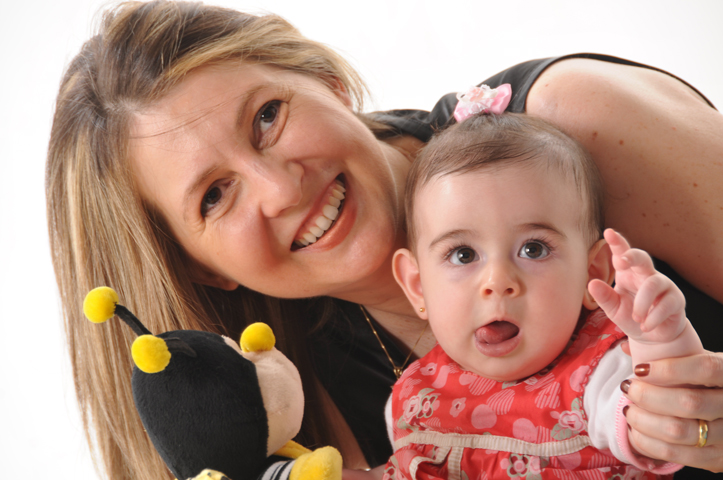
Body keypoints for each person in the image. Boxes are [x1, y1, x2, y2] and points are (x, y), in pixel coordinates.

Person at [45, 1, 723, 479]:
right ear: (203, 270)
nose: (281, 189)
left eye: (267, 118)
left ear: (327, 81)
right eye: (215, 196)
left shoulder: (570, 121)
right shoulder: (295, 384)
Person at [386, 108, 704, 479]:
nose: (498, 281)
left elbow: (665, 420)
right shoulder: (412, 396)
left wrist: (660, 338)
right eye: (464, 255)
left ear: (592, 273)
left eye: (533, 249)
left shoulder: (599, 376)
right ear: (417, 285)